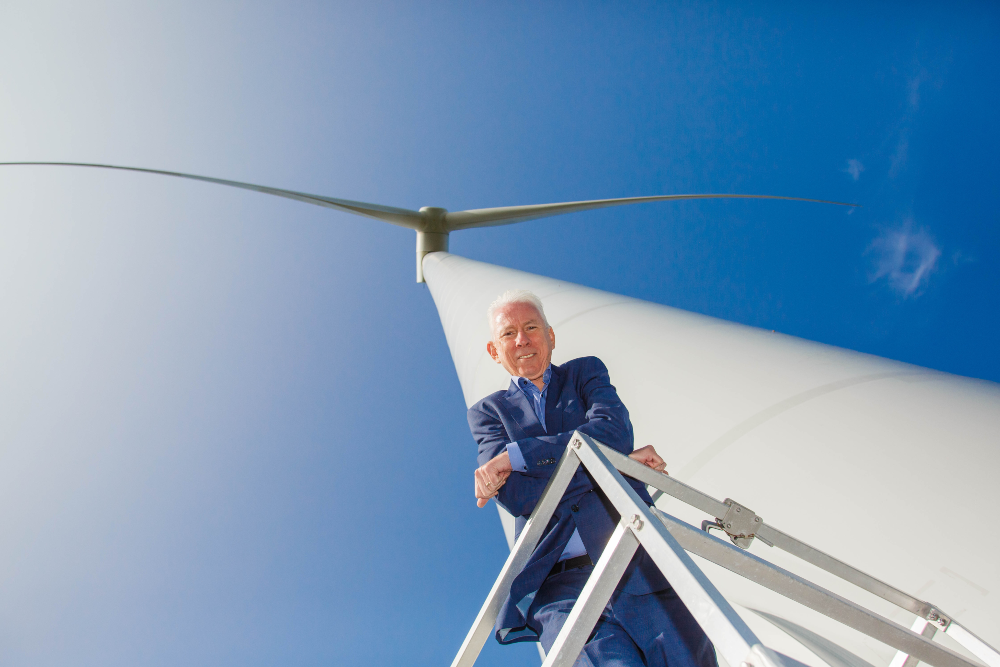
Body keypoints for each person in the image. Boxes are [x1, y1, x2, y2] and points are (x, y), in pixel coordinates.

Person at [468, 289, 718, 667]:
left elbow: (613, 432)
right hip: (560, 590)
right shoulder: (487, 413)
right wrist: (614, 464)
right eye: (508, 333)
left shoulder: (585, 372)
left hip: (637, 559)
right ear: (493, 350)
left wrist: (519, 455)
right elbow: (518, 496)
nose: (522, 340)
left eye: (531, 327)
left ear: (550, 336)